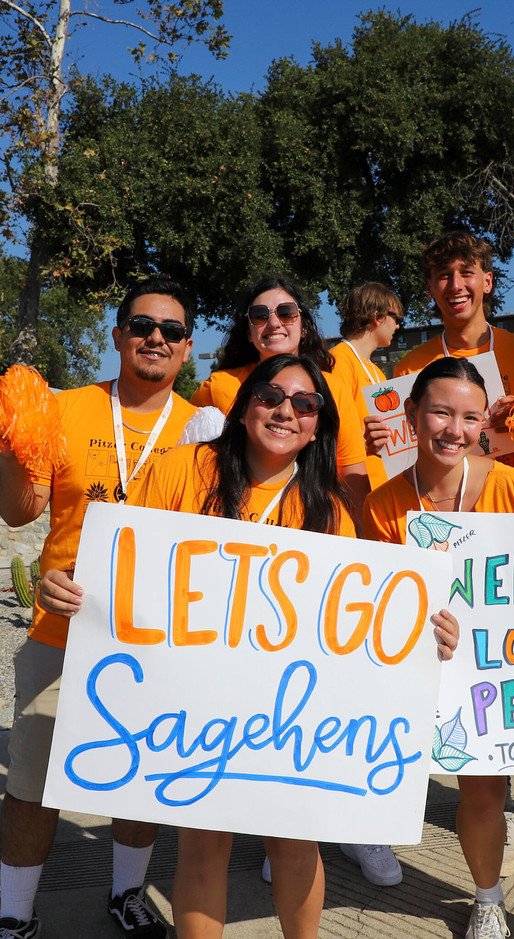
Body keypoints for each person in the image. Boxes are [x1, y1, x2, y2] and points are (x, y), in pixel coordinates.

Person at [114, 353, 456, 938]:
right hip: (195, 701)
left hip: (286, 710)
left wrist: (423, 631)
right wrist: (75, 586)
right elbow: (124, 557)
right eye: (271, 396)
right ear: (245, 405)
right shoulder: (181, 471)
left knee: (295, 843)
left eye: (305, 404)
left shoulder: (326, 511)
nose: (285, 411)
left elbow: (360, 622)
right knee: (203, 842)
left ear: (319, 425)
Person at [363, 357, 514, 939]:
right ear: (411, 416)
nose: (454, 430)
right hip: (453, 679)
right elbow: (377, 603)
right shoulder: (384, 505)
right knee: (482, 793)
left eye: (469, 417)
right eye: (440, 412)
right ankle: (486, 898)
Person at [363, 230, 514, 874]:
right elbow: (409, 470)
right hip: (436, 540)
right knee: (466, 729)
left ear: (486, 281)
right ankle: (480, 827)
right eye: (441, 275)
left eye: (467, 272)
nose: (455, 284)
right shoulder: (412, 366)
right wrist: (384, 438)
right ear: (428, 288)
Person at [0, 276, 197, 939]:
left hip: (157, 644)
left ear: (188, 347)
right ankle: (13, 912)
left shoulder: (204, 427)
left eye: (170, 330)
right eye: (142, 325)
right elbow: (18, 510)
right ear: (118, 336)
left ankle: (126, 895)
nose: (155, 338)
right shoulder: (67, 408)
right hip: (61, 631)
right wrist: (11, 440)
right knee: (30, 784)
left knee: (139, 782)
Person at [191, 276, 370, 527]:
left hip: (308, 525)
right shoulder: (219, 385)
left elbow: (351, 472)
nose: (274, 323)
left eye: (286, 313)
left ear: (304, 326)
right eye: (260, 315)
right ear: (249, 333)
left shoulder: (332, 389)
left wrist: (360, 541)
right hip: (229, 520)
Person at [330, 282, 404, 491]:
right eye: (395, 318)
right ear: (377, 316)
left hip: (381, 485)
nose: (398, 326)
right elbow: (336, 434)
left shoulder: (377, 371)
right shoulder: (339, 361)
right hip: (354, 488)